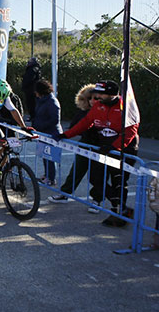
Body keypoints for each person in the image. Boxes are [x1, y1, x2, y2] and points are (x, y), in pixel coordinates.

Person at [54, 80, 139, 227]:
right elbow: (86, 122)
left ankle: (118, 213)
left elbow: (131, 130)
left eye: (101, 93)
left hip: (124, 148)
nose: (97, 96)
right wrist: (66, 135)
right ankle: (121, 207)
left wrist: (115, 147)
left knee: (119, 182)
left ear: (111, 94)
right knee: (95, 178)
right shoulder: (98, 105)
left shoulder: (125, 106)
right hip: (104, 147)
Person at [48, 84, 99, 210]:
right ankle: (65, 194)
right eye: (90, 98)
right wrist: (64, 135)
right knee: (76, 171)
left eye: (95, 98)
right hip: (85, 144)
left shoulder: (103, 112)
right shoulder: (83, 112)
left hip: (100, 147)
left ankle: (97, 201)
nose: (92, 101)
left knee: (97, 176)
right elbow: (74, 127)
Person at [31, 79, 61, 185]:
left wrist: (40, 126)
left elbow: (55, 120)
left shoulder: (52, 102)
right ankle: (47, 175)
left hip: (51, 134)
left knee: (50, 158)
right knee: (45, 156)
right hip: (43, 133)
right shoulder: (41, 100)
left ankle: (51, 179)